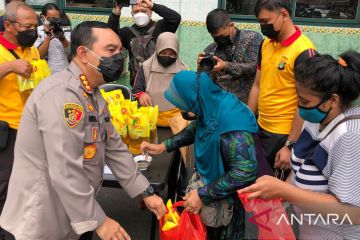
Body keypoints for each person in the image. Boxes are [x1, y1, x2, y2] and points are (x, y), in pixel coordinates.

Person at [0, 21, 165, 240]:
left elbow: (114, 146)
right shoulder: (62, 96)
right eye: (111, 50)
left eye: (120, 51)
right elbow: (65, 169)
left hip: (75, 211)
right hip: (43, 219)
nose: (119, 57)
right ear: (83, 54)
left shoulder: (93, 94)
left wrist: (145, 191)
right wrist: (100, 221)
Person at [240, 51, 360, 239]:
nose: (299, 106)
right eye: (298, 98)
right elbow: (300, 167)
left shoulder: (350, 135)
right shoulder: (316, 119)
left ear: (332, 100)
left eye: (304, 101)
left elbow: (354, 213)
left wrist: (285, 191)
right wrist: (279, 193)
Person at [141, 70, 259, 239]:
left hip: (229, 203)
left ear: (193, 98)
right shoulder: (209, 104)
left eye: (182, 103)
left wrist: (203, 194)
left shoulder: (232, 124)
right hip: (212, 186)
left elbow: (245, 172)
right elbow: (196, 127)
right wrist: (164, 146)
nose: (180, 108)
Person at [247, 0, 316, 174]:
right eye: (260, 22)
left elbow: (306, 101)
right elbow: (257, 85)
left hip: (283, 134)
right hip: (260, 126)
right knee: (255, 181)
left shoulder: (303, 51)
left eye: (265, 21)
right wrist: (246, 120)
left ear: (284, 15)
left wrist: (290, 145)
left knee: (274, 188)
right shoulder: (266, 44)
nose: (263, 27)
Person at [0, 2, 40, 240]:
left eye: (35, 26)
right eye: (27, 26)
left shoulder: (32, 49)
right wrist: (9, 67)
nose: (33, 31)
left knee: (27, 187)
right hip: (7, 132)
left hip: (31, 130)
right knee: (4, 188)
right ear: (8, 25)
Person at [108, 0, 181, 86]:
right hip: (137, 83)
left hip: (159, 80)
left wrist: (153, 6)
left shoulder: (161, 27)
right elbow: (111, 35)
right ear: (132, 13)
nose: (140, 14)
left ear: (150, 12)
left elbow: (175, 18)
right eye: (136, 11)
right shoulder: (127, 32)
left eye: (143, 11)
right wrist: (116, 12)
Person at [197, 9, 262, 103]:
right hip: (222, 106)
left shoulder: (252, 38)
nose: (220, 40)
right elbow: (206, 84)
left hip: (248, 105)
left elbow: (255, 68)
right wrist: (201, 68)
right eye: (216, 37)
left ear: (231, 25)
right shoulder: (211, 50)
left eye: (223, 35)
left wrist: (225, 66)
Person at [132, 32, 188, 127]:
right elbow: (136, 90)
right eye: (164, 53)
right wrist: (141, 95)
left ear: (177, 53)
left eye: (171, 54)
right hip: (149, 121)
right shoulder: (146, 67)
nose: (167, 56)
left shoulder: (184, 70)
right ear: (157, 49)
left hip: (176, 123)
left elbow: (190, 97)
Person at [35, 3, 71, 73]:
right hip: (45, 73)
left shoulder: (65, 30)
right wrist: (48, 36)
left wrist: (62, 38)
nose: (54, 22)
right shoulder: (38, 31)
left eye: (56, 19)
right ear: (43, 18)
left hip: (63, 71)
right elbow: (39, 56)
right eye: (50, 19)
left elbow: (70, 54)